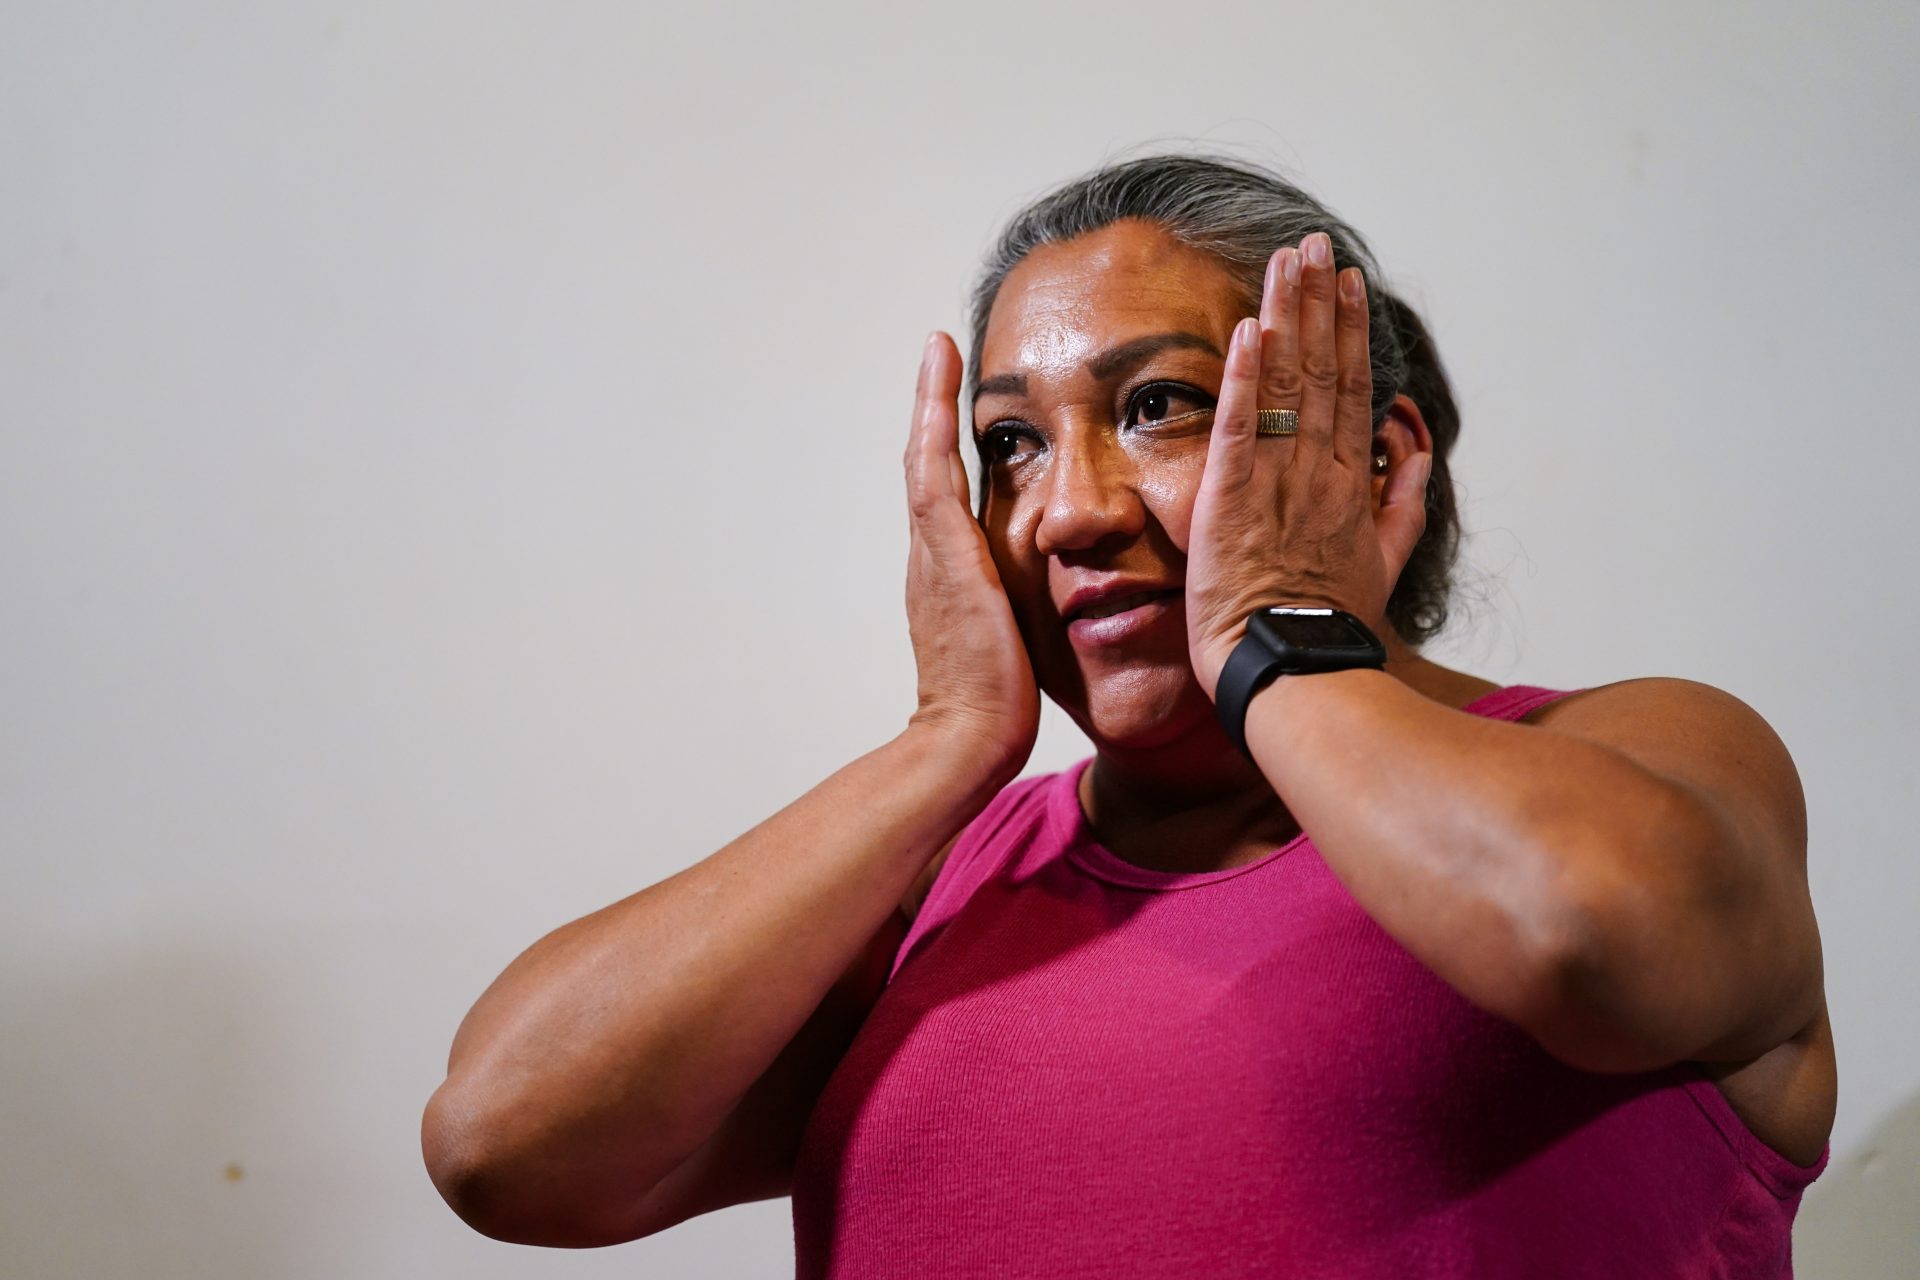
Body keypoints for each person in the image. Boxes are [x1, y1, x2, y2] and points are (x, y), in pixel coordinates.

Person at [420, 154, 1836, 1276]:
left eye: (1157, 406)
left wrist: (1285, 637)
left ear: (1376, 453)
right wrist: (944, 745)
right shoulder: (955, 887)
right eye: (1011, 444)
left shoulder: (1625, 751)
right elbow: (508, 1147)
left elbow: (1580, 936)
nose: (1070, 511)